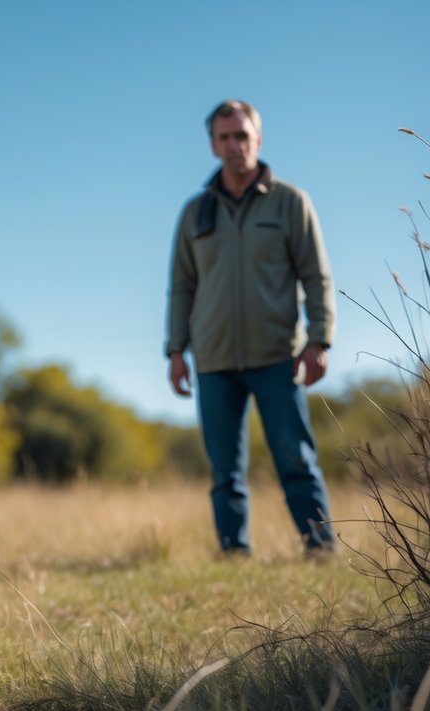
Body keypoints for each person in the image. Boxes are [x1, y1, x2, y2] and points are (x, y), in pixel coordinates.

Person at [165, 99, 337, 558]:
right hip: (214, 360)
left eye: (242, 135)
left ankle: (320, 549)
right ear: (212, 145)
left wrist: (319, 339)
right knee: (225, 471)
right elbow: (180, 286)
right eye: (225, 137)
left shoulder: (289, 203)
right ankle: (233, 552)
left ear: (258, 140)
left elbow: (316, 276)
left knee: (296, 461)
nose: (234, 145)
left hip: (278, 357)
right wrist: (175, 350)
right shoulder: (194, 213)